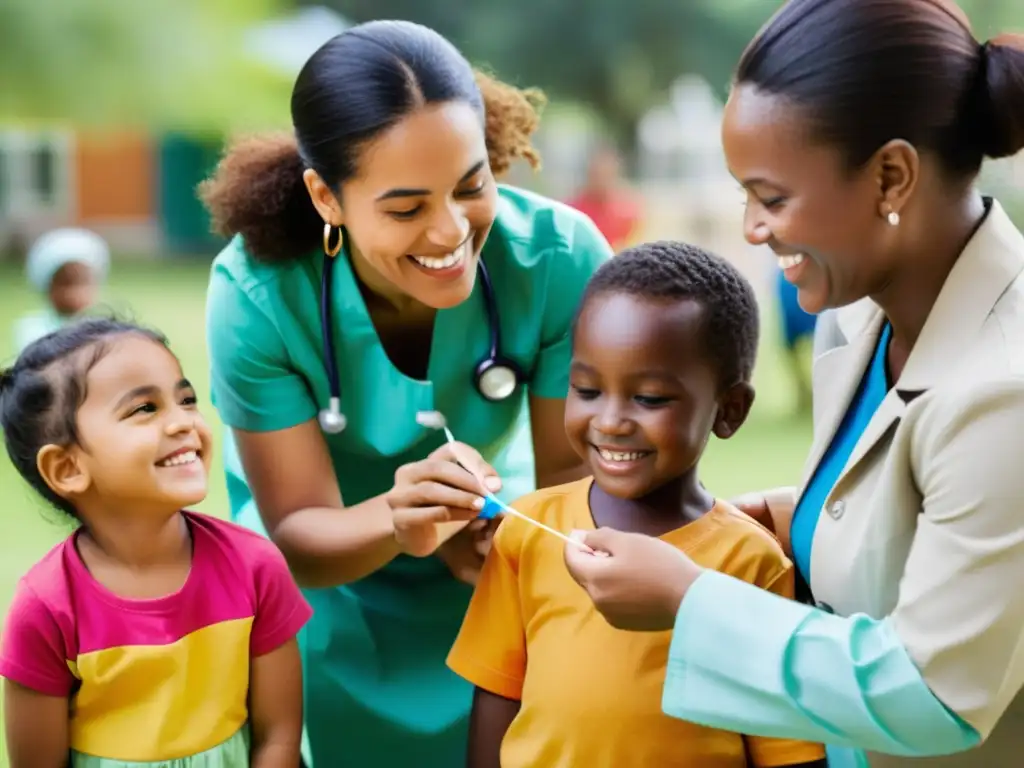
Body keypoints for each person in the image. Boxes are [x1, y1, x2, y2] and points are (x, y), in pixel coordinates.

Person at [563, 1, 1024, 766]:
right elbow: (913, 502)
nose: (750, 226)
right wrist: (772, 518)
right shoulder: (861, 319)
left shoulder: (1005, 391)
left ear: (891, 176)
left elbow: (933, 694)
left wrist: (690, 601)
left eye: (771, 197)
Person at [199, 19, 613, 768]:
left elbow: (574, 486)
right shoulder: (256, 294)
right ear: (326, 197)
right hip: (322, 591)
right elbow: (299, 531)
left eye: (471, 184)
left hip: (492, 559)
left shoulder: (559, 258)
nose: (451, 230)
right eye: (405, 208)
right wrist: (397, 518)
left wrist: (509, 539)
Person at [444, 243, 826, 768]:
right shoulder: (528, 533)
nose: (611, 420)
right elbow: (496, 698)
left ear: (729, 410)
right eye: (586, 389)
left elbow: (783, 746)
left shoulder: (751, 560)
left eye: (648, 398)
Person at [0, 318, 312, 767]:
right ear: (67, 469)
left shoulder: (255, 567)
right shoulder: (46, 609)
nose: (183, 422)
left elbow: (279, 737)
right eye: (145, 409)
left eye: (186, 400)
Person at [13, 228, 109, 352]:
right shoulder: (32, 331)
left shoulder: (106, 331)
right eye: (65, 283)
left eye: (83, 282)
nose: (74, 293)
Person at [566, 145, 643, 251]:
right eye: (596, 174)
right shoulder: (572, 210)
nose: (601, 180)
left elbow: (633, 246)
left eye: (606, 174)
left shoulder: (628, 210)